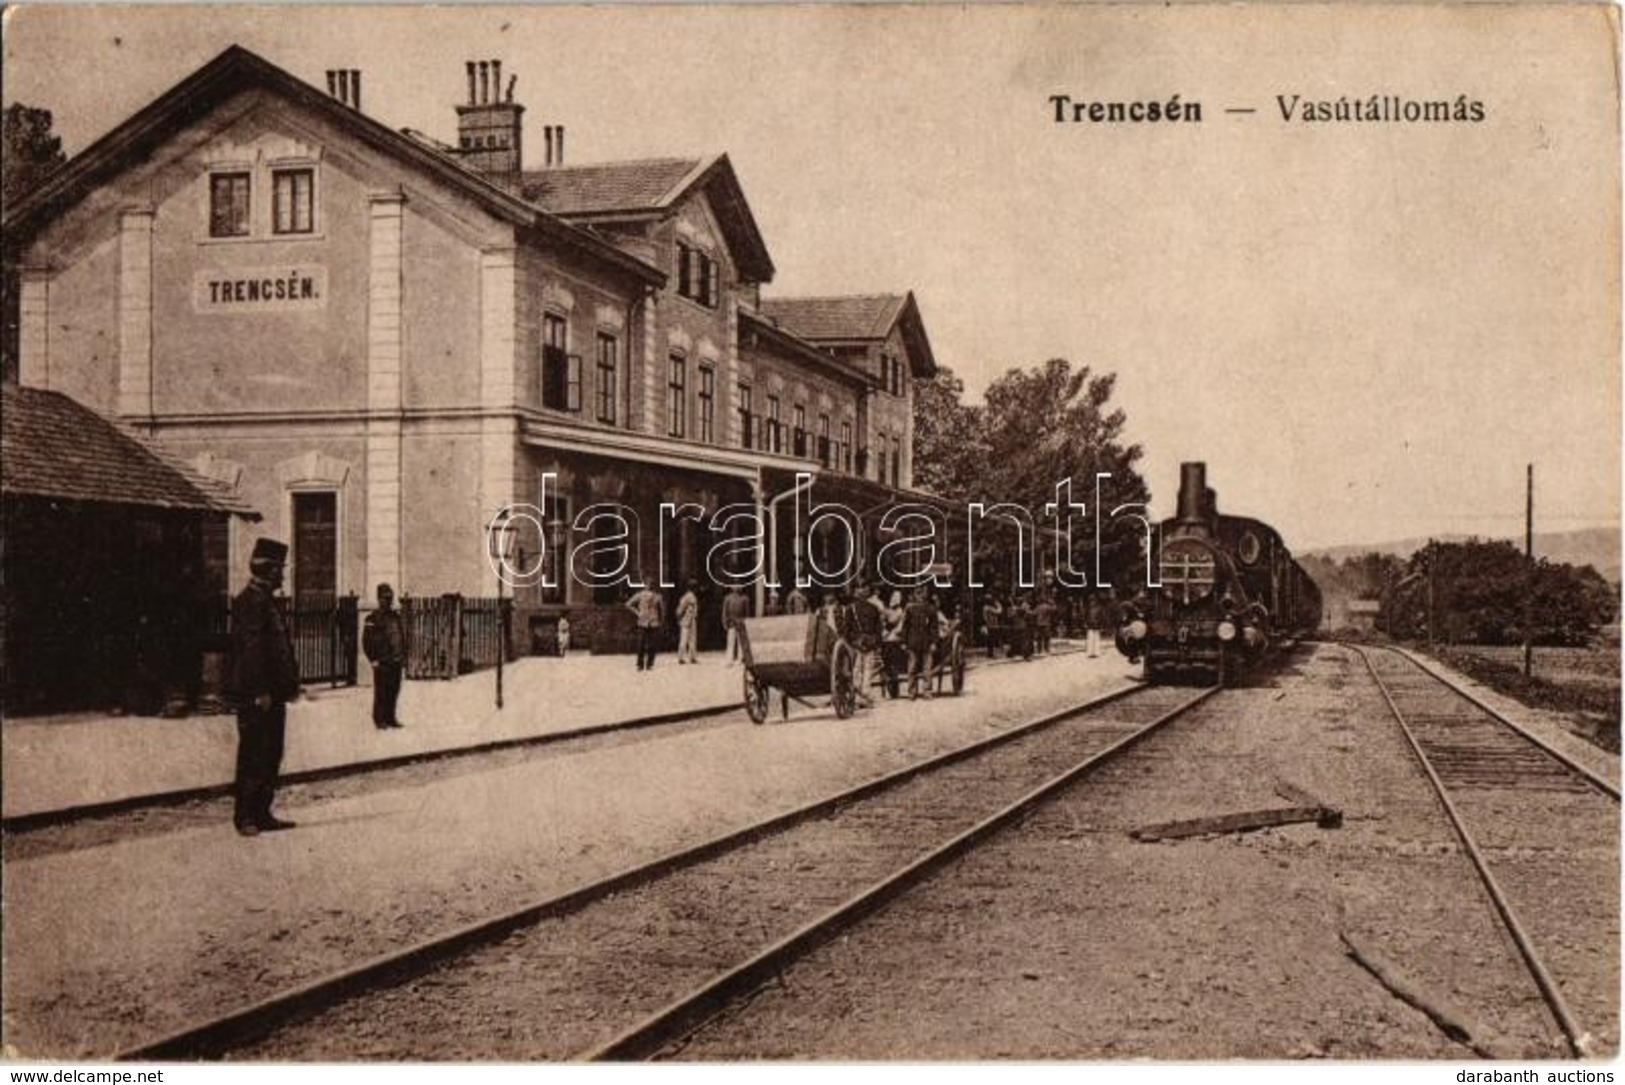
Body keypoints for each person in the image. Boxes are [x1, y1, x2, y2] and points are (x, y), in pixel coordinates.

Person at [228, 538, 301, 836]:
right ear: (268, 571)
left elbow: (279, 649)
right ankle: (245, 816)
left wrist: (288, 685)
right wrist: (259, 691)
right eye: (280, 571)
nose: (283, 576)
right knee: (253, 753)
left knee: (272, 752)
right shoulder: (249, 601)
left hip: (273, 693)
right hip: (257, 695)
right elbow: (251, 650)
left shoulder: (266, 600)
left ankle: (262, 811)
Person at [361, 582, 406, 729]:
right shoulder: (372, 618)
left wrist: (402, 656)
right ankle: (379, 720)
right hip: (382, 661)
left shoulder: (395, 617)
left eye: (389, 598)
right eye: (384, 598)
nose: (387, 601)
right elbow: (366, 641)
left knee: (394, 690)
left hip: (395, 660)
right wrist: (373, 659)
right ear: (378, 599)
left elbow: (400, 637)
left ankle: (390, 718)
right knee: (381, 691)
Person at [902, 586, 941, 700]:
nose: (920, 596)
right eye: (918, 593)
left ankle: (927, 691)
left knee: (927, 668)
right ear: (914, 595)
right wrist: (904, 642)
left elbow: (934, 627)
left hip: (927, 642)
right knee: (912, 668)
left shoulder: (930, 609)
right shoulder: (909, 608)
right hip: (912, 642)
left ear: (925, 595)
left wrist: (934, 642)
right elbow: (905, 626)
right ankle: (912, 692)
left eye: (922, 593)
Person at [849, 581, 884, 707]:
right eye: (860, 589)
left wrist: (852, 641)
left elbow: (847, 629)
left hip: (857, 643)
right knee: (866, 671)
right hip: (867, 642)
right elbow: (878, 628)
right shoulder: (873, 609)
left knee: (858, 670)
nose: (862, 591)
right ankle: (864, 695)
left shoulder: (850, 609)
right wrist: (878, 643)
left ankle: (860, 697)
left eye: (863, 589)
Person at [625, 580, 665, 671]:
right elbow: (628, 604)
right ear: (645, 586)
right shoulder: (640, 595)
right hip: (643, 622)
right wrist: (638, 613)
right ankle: (640, 664)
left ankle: (649, 664)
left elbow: (661, 611)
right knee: (641, 644)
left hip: (653, 622)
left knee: (652, 645)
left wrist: (661, 621)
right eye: (647, 585)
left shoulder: (657, 597)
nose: (649, 587)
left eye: (650, 585)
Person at [723, 585, 750, 664]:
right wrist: (725, 622)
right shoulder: (727, 598)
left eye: (738, 586)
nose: (737, 588)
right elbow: (725, 612)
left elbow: (747, 613)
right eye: (735, 586)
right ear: (732, 588)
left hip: (741, 623)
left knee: (740, 642)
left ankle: (740, 658)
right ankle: (729, 659)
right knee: (730, 642)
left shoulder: (744, 599)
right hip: (731, 622)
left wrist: (746, 623)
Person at [676, 581, 700, 664]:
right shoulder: (686, 597)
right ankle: (681, 657)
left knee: (692, 639)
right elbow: (680, 609)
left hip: (692, 619)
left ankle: (692, 657)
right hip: (686, 619)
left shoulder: (692, 596)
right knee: (684, 639)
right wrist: (679, 617)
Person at [982, 594, 1005, 660]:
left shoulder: (986, 607)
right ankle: (990, 654)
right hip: (991, 625)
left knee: (991, 640)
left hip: (992, 625)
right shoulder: (987, 608)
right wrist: (998, 604)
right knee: (991, 640)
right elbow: (999, 611)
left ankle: (990, 653)